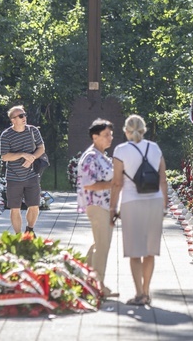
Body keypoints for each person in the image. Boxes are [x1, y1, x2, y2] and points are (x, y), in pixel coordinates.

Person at [109, 115, 168, 306]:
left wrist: (112, 208)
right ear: (143, 130)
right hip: (154, 202)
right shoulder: (155, 148)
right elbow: (163, 179)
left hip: (131, 203)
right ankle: (147, 291)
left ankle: (139, 293)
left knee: (135, 252)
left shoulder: (121, 150)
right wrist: (164, 206)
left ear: (126, 130)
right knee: (149, 251)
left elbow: (117, 183)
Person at [76, 118, 118, 297]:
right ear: (95, 137)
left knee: (99, 244)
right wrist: (113, 184)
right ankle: (98, 285)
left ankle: (84, 279)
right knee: (102, 245)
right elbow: (88, 184)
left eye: (111, 134)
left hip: (106, 206)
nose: (110, 138)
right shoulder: (90, 157)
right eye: (106, 135)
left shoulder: (102, 156)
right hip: (97, 205)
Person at [0, 105, 45, 236]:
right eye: (20, 116)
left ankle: (30, 230)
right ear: (13, 120)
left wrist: (32, 158)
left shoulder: (33, 131)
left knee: (34, 206)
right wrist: (22, 154)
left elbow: (41, 148)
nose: (24, 118)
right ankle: (18, 236)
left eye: (24, 115)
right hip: (14, 177)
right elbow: (5, 156)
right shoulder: (6, 135)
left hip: (32, 175)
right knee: (15, 208)